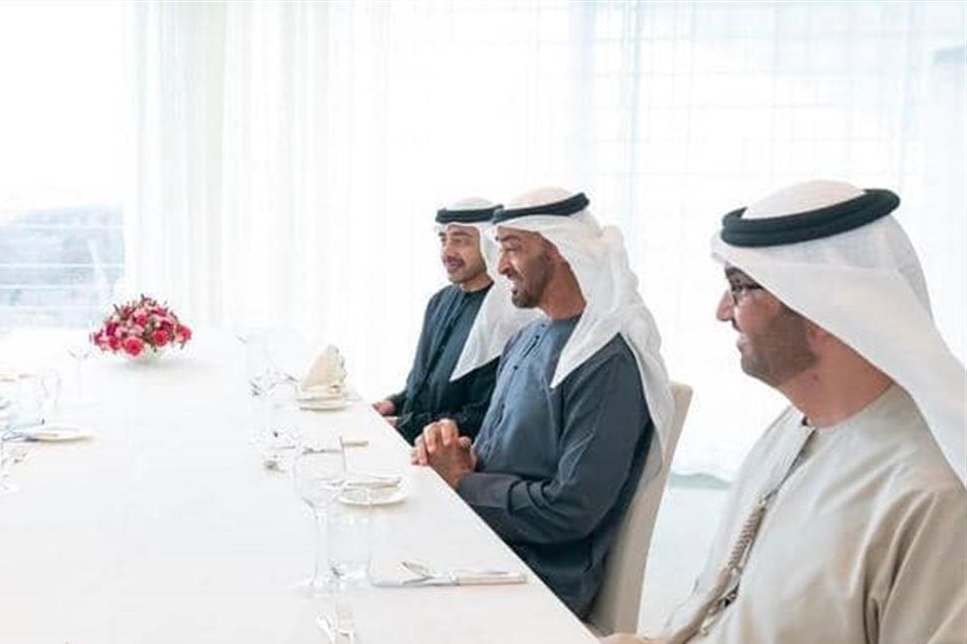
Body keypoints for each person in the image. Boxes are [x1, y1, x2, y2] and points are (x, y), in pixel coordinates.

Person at [604, 180, 966, 644]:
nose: (722, 312)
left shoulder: (933, 494)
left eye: (739, 288)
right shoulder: (792, 429)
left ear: (821, 307)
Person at [415, 188, 675, 619]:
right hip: (487, 540)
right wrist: (452, 450)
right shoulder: (525, 338)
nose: (500, 267)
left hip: (538, 577)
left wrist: (462, 482)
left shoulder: (607, 363)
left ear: (560, 252)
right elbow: (503, 453)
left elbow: (571, 510)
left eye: (513, 248)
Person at [375, 197, 536, 443]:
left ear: (490, 245)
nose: (447, 252)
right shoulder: (439, 301)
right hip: (411, 444)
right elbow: (421, 384)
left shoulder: (506, 314)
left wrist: (402, 424)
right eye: (444, 240)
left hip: (457, 456)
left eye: (460, 241)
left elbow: (481, 416)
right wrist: (392, 404)